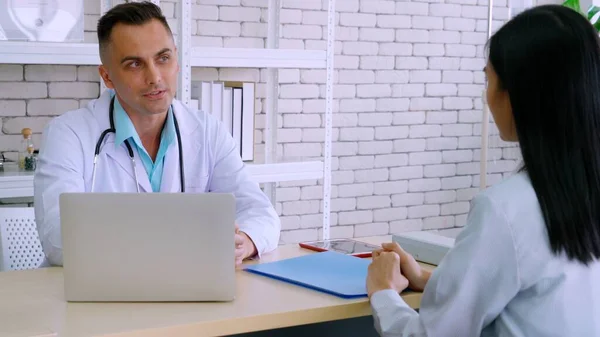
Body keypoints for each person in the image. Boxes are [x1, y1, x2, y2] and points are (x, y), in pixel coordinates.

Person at [366, 5, 600, 337]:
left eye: (489, 78)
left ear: (519, 93)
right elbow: (539, 293)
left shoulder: (506, 209)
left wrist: (383, 291)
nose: (486, 95)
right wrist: (429, 280)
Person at [33, 1, 280, 267]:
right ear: (107, 76)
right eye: (134, 64)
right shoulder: (68, 135)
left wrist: (244, 241)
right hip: (98, 294)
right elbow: (58, 239)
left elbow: (261, 214)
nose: (155, 77)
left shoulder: (208, 131)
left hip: (187, 289)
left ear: (176, 59)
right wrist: (184, 241)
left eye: (163, 59)